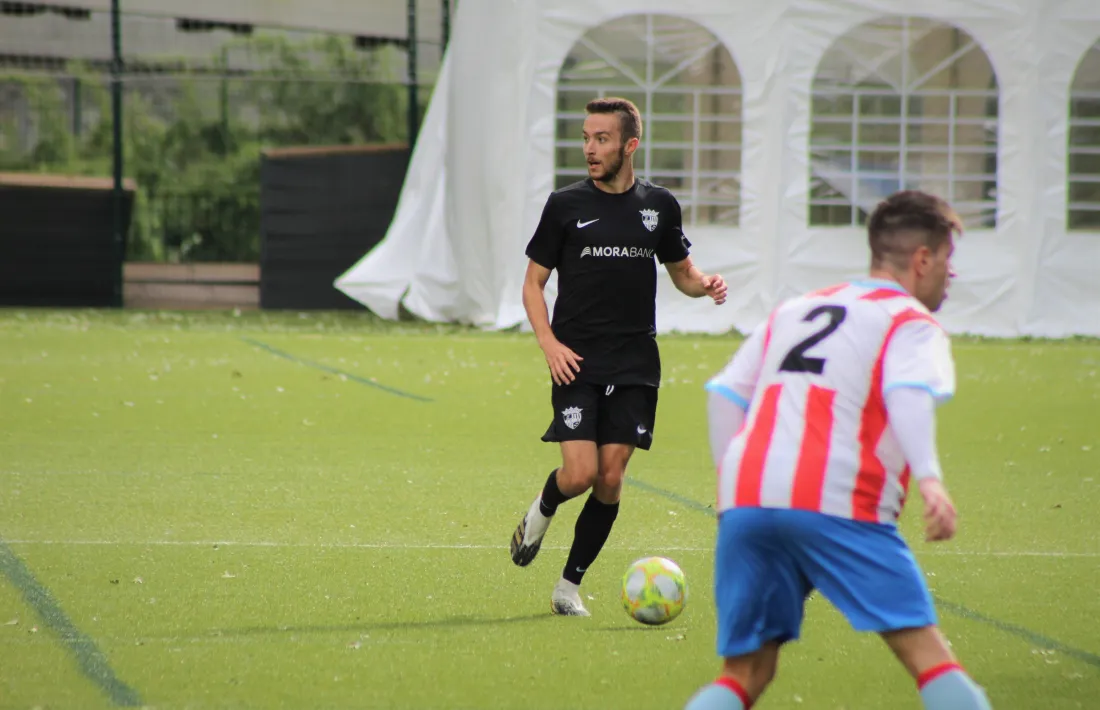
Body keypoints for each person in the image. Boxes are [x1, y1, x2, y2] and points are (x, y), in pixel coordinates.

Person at [685, 190, 993, 709]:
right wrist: (931, 478)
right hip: (835, 498)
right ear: (922, 260)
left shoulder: (797, 307)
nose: (950, 274)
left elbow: (725, 394)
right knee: (929, 656)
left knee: (745, 673)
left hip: (747, 497)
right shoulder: (909, 320)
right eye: (947, 259)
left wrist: (731, 487)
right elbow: (906, 393)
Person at [508, 97, 728, 616]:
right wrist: (549, 343)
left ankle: (567, 588)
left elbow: (682, 272)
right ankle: (541, 511)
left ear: (630, 145)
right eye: (585, 137)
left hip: (634, 363)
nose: (589, 148)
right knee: (579, 473)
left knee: (610, 477)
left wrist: (706, 285)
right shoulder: (565, 206)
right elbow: (533, 284)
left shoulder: (659, 206)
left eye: (601, 139)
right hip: (576, 360)